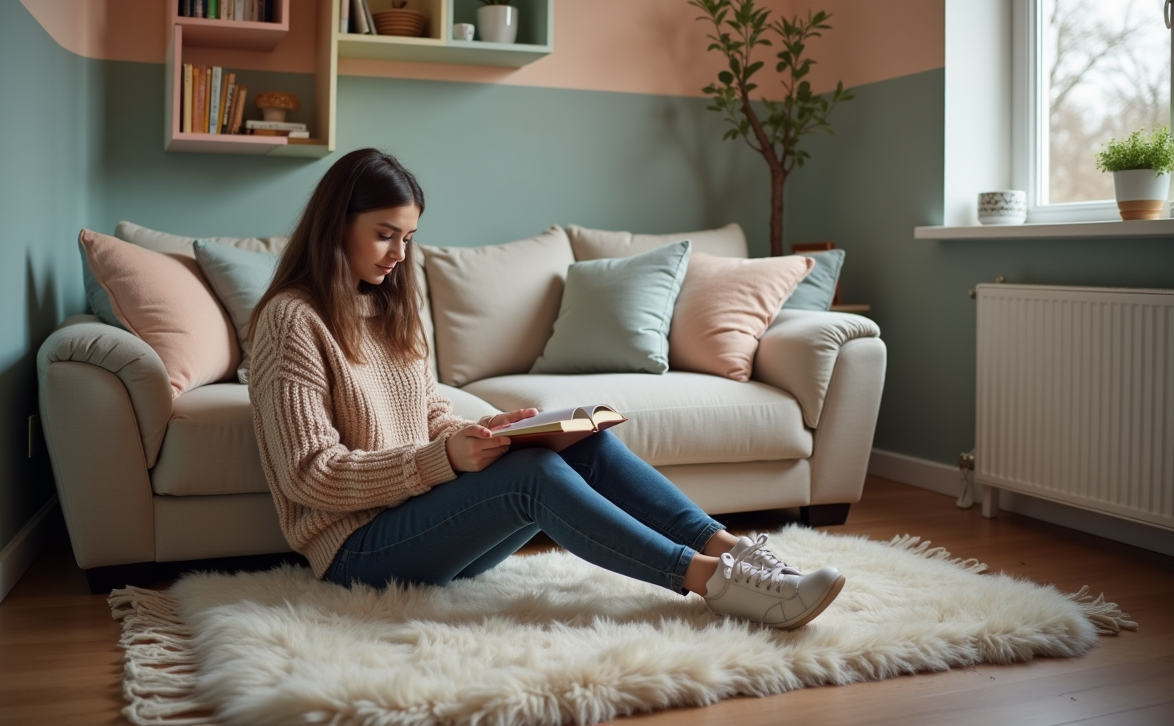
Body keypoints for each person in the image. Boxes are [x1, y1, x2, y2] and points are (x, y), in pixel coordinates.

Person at [247, 148, 845, 629]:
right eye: (385, 235)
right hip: (357, 552)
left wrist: (484, 434)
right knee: (530, 475)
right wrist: (441, 460)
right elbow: (310, 475)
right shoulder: (290, 320)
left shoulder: (390, 308)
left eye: (408, 238)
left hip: (427, 528)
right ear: (337, 224)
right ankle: (711, 582)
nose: (400, 255)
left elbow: (427, 413)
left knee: (579, 443)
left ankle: (731, 551)